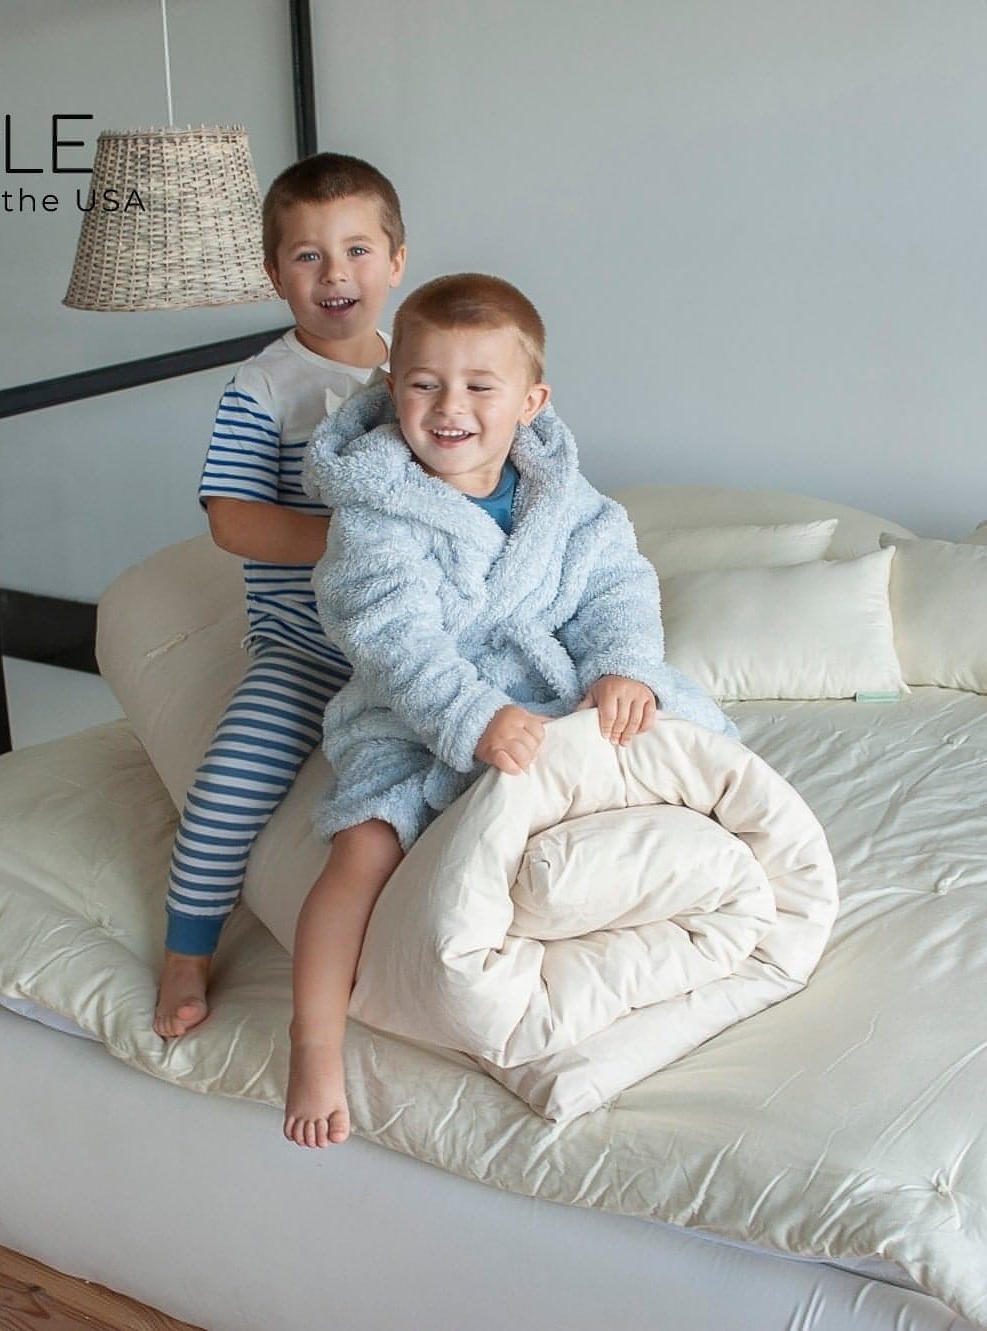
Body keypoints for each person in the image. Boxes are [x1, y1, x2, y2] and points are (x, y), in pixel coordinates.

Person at [283, 273, 734, 1147]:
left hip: (549, 690)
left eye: (480, 386)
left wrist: (620, 667)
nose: (450, 407)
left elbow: (616, 584)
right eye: (423, 384)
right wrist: (471, 714)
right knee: (362, 844)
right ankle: (312, 1040)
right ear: (391, 388)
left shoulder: (563, 497)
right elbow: (392, 638)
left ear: (530, 401)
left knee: (673, 739)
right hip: (415, 712)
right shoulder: (376, 510)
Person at [152, 153, 407, 1039]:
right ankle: (186, 946)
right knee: (229, 780)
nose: (335, 273)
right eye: (308, 255)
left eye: (357, 249)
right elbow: (234, 521)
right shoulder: (263, 386)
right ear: (275, 274)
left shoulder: (415, 372)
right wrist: (359, 542)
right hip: (305, 647)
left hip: (405, 641)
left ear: (397, 261)